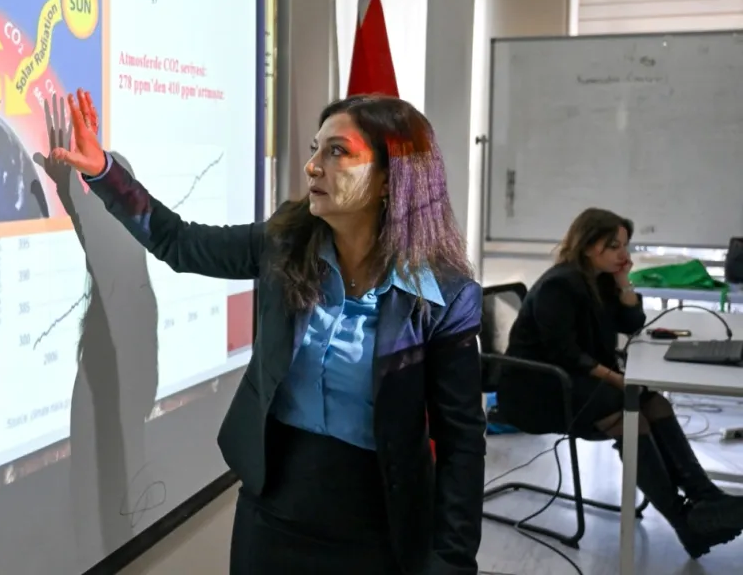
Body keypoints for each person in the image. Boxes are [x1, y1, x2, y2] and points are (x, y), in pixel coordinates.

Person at [45, 90, 485, 575]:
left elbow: (461, 441)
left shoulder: (445, 296)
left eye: (337, 151)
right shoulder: (284, 244)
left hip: (380, 528)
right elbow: (180, 242)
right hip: (273, 513)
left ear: (389, 180)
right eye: (316, 149)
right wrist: (103, 172)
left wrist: (452, 560)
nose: (313, 166)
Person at [496, 208, 743, 557]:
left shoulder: (599, 279)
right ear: (587, 246)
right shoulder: (560, 285)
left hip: (574, 379)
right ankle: (685, 522)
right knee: (628, 412)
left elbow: (632, 322)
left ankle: (706, 498)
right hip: (538, 389)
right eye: (613, 246)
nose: (623, 254)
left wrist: (624, 282)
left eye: (625, 245)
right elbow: (565, 353)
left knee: (653, 401)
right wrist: (618, 379)